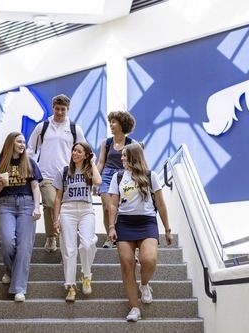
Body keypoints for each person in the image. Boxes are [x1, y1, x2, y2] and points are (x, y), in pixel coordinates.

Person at [107, 143, 173, 322]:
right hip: (125, 223)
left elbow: (160, 204)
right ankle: (134, 308)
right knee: (127, 264)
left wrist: (167, 229)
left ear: (134, 157)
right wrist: (111, 227)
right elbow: (113, 204)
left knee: (148, 260)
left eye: (124, 156)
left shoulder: (151, 176)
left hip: (147, 223)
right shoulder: (118, 177)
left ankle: (144, 284)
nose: (121, 159)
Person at [27, 94, 86, 252]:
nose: (60, 112)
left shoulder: (74, 129)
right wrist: (28, 168)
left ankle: (62, 239)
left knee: (63, 207)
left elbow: (83, 150)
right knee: (51, 203)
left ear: (68, 110)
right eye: (57, 109)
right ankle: (52, 237)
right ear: (53, 108)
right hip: (45, 174)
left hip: (68, 176)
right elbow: (31, 149)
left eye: (63, 109)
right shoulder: (43, 127)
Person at [0, 132, 43, 302]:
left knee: (24, 246)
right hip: (6, 204)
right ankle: (11, 269)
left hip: (27, 205)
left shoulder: (29, 163)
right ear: (11, 143)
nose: (22, 145)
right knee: (6, 241)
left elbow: (36, 188)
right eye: (19, 142)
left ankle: (19, 288)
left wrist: (37, 207)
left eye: (24, 142)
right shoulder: (0, 163)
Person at [52, 142, 102, 302]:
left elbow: (98, 182)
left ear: (86, 155)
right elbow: (58, 197)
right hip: (67, 210)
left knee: (87, 244)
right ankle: (71, 286)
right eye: (74, 150)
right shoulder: (64, 171)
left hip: (87, 209)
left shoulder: (89, 171)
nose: (75, 153)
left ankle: (86, 275)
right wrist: (56, 220)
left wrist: (93, 163)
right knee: (69, 250)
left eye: (79, 151)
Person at [96, 111, 136, 248]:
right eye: (110, 122)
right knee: (107, 207)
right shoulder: (106, 143)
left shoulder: (131, 143)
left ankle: (122, 237)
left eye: (114, 122)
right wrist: (95, 181)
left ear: (122, 124)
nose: (111, 125)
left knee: (120, 208)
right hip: (106, 175)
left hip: (123, 176)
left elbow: (137, 163)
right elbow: (101, 162)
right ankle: (109, 238)